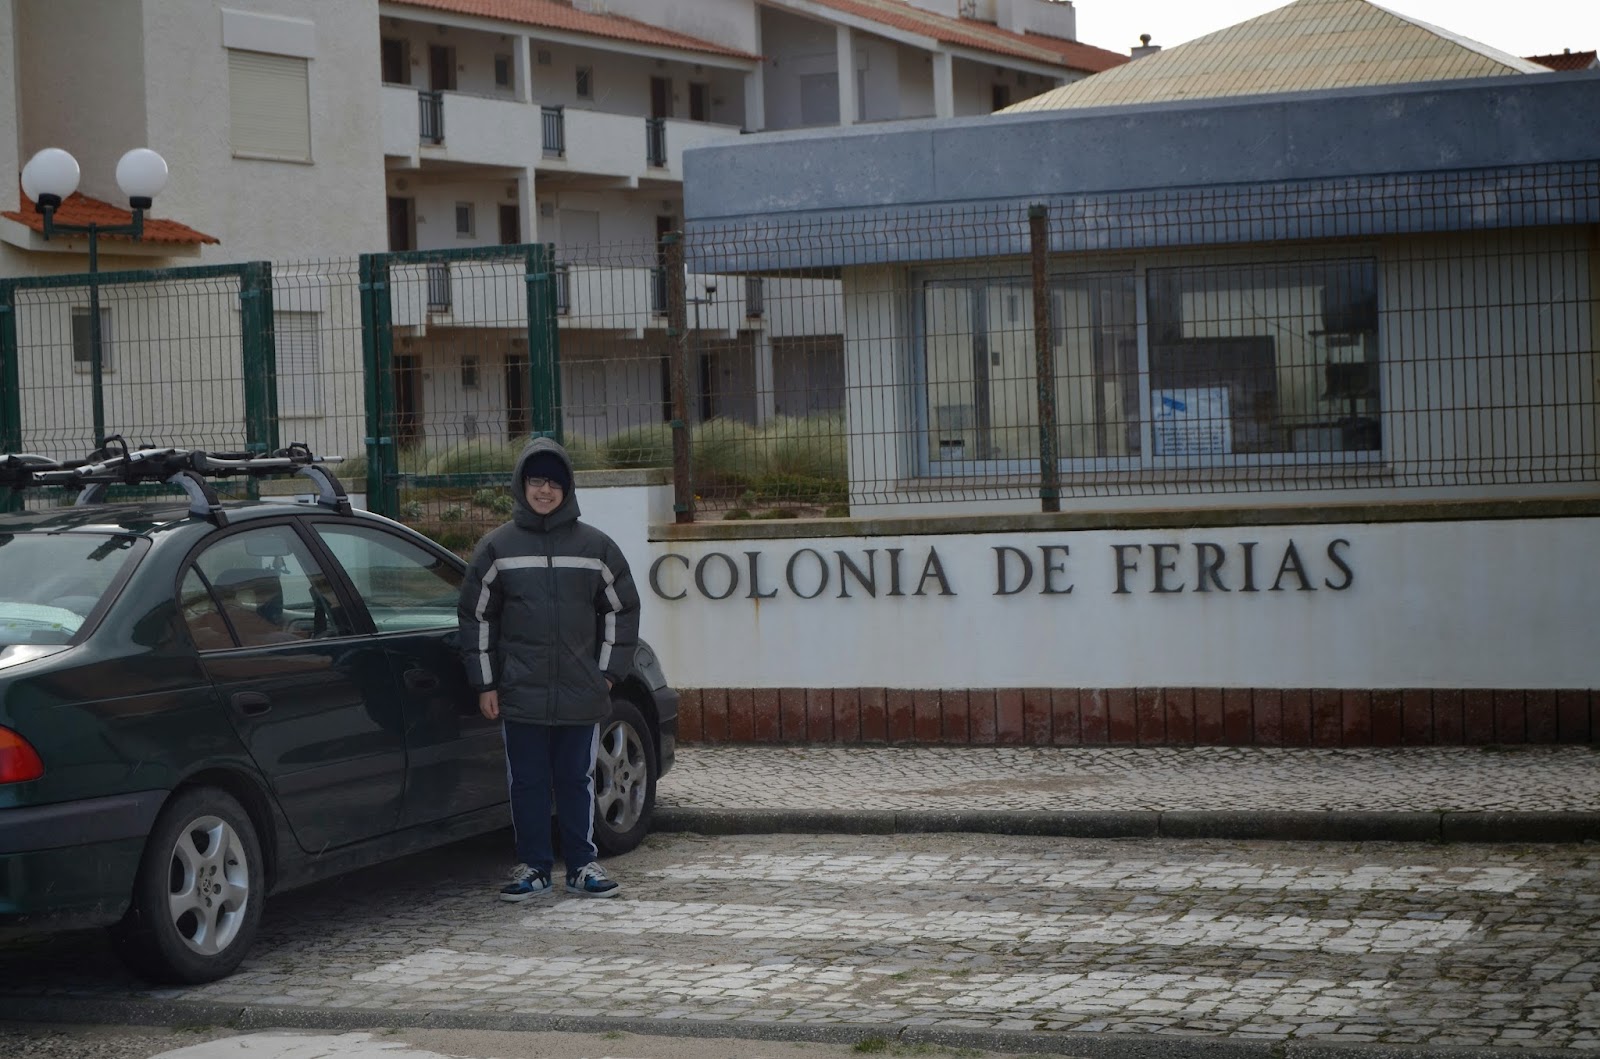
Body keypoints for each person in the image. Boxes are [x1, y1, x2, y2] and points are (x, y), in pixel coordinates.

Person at [457, 437, 640, 901]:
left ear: (567, 489)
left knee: (577, 780)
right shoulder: (497, 548)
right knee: (528, 782)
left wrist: (606, 673)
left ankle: (582, 866)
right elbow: (477, 618)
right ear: (522, 485)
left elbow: (622, 610)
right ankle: (534, 867)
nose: (544, 490)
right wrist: (486, 683)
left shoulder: (596, 547)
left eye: (554, 483)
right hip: (520, 691)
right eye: (536, 481)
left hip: (582, 690)